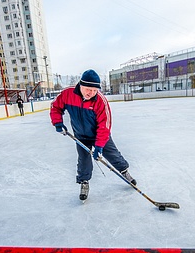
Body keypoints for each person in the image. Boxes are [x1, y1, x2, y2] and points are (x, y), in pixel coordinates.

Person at [50, 69, 136, 201]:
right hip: (81, 136)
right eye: (89, 89)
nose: (92, 93)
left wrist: (100, 146)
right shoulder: (68, 94)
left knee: (113, 155)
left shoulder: (100, 101)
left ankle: (124, 172)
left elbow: (105, 125)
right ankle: (84, 182)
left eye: (95, 90)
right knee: (83, 160)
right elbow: (56, 107)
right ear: (81, 85)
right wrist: (58, 123)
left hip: (99, 135)